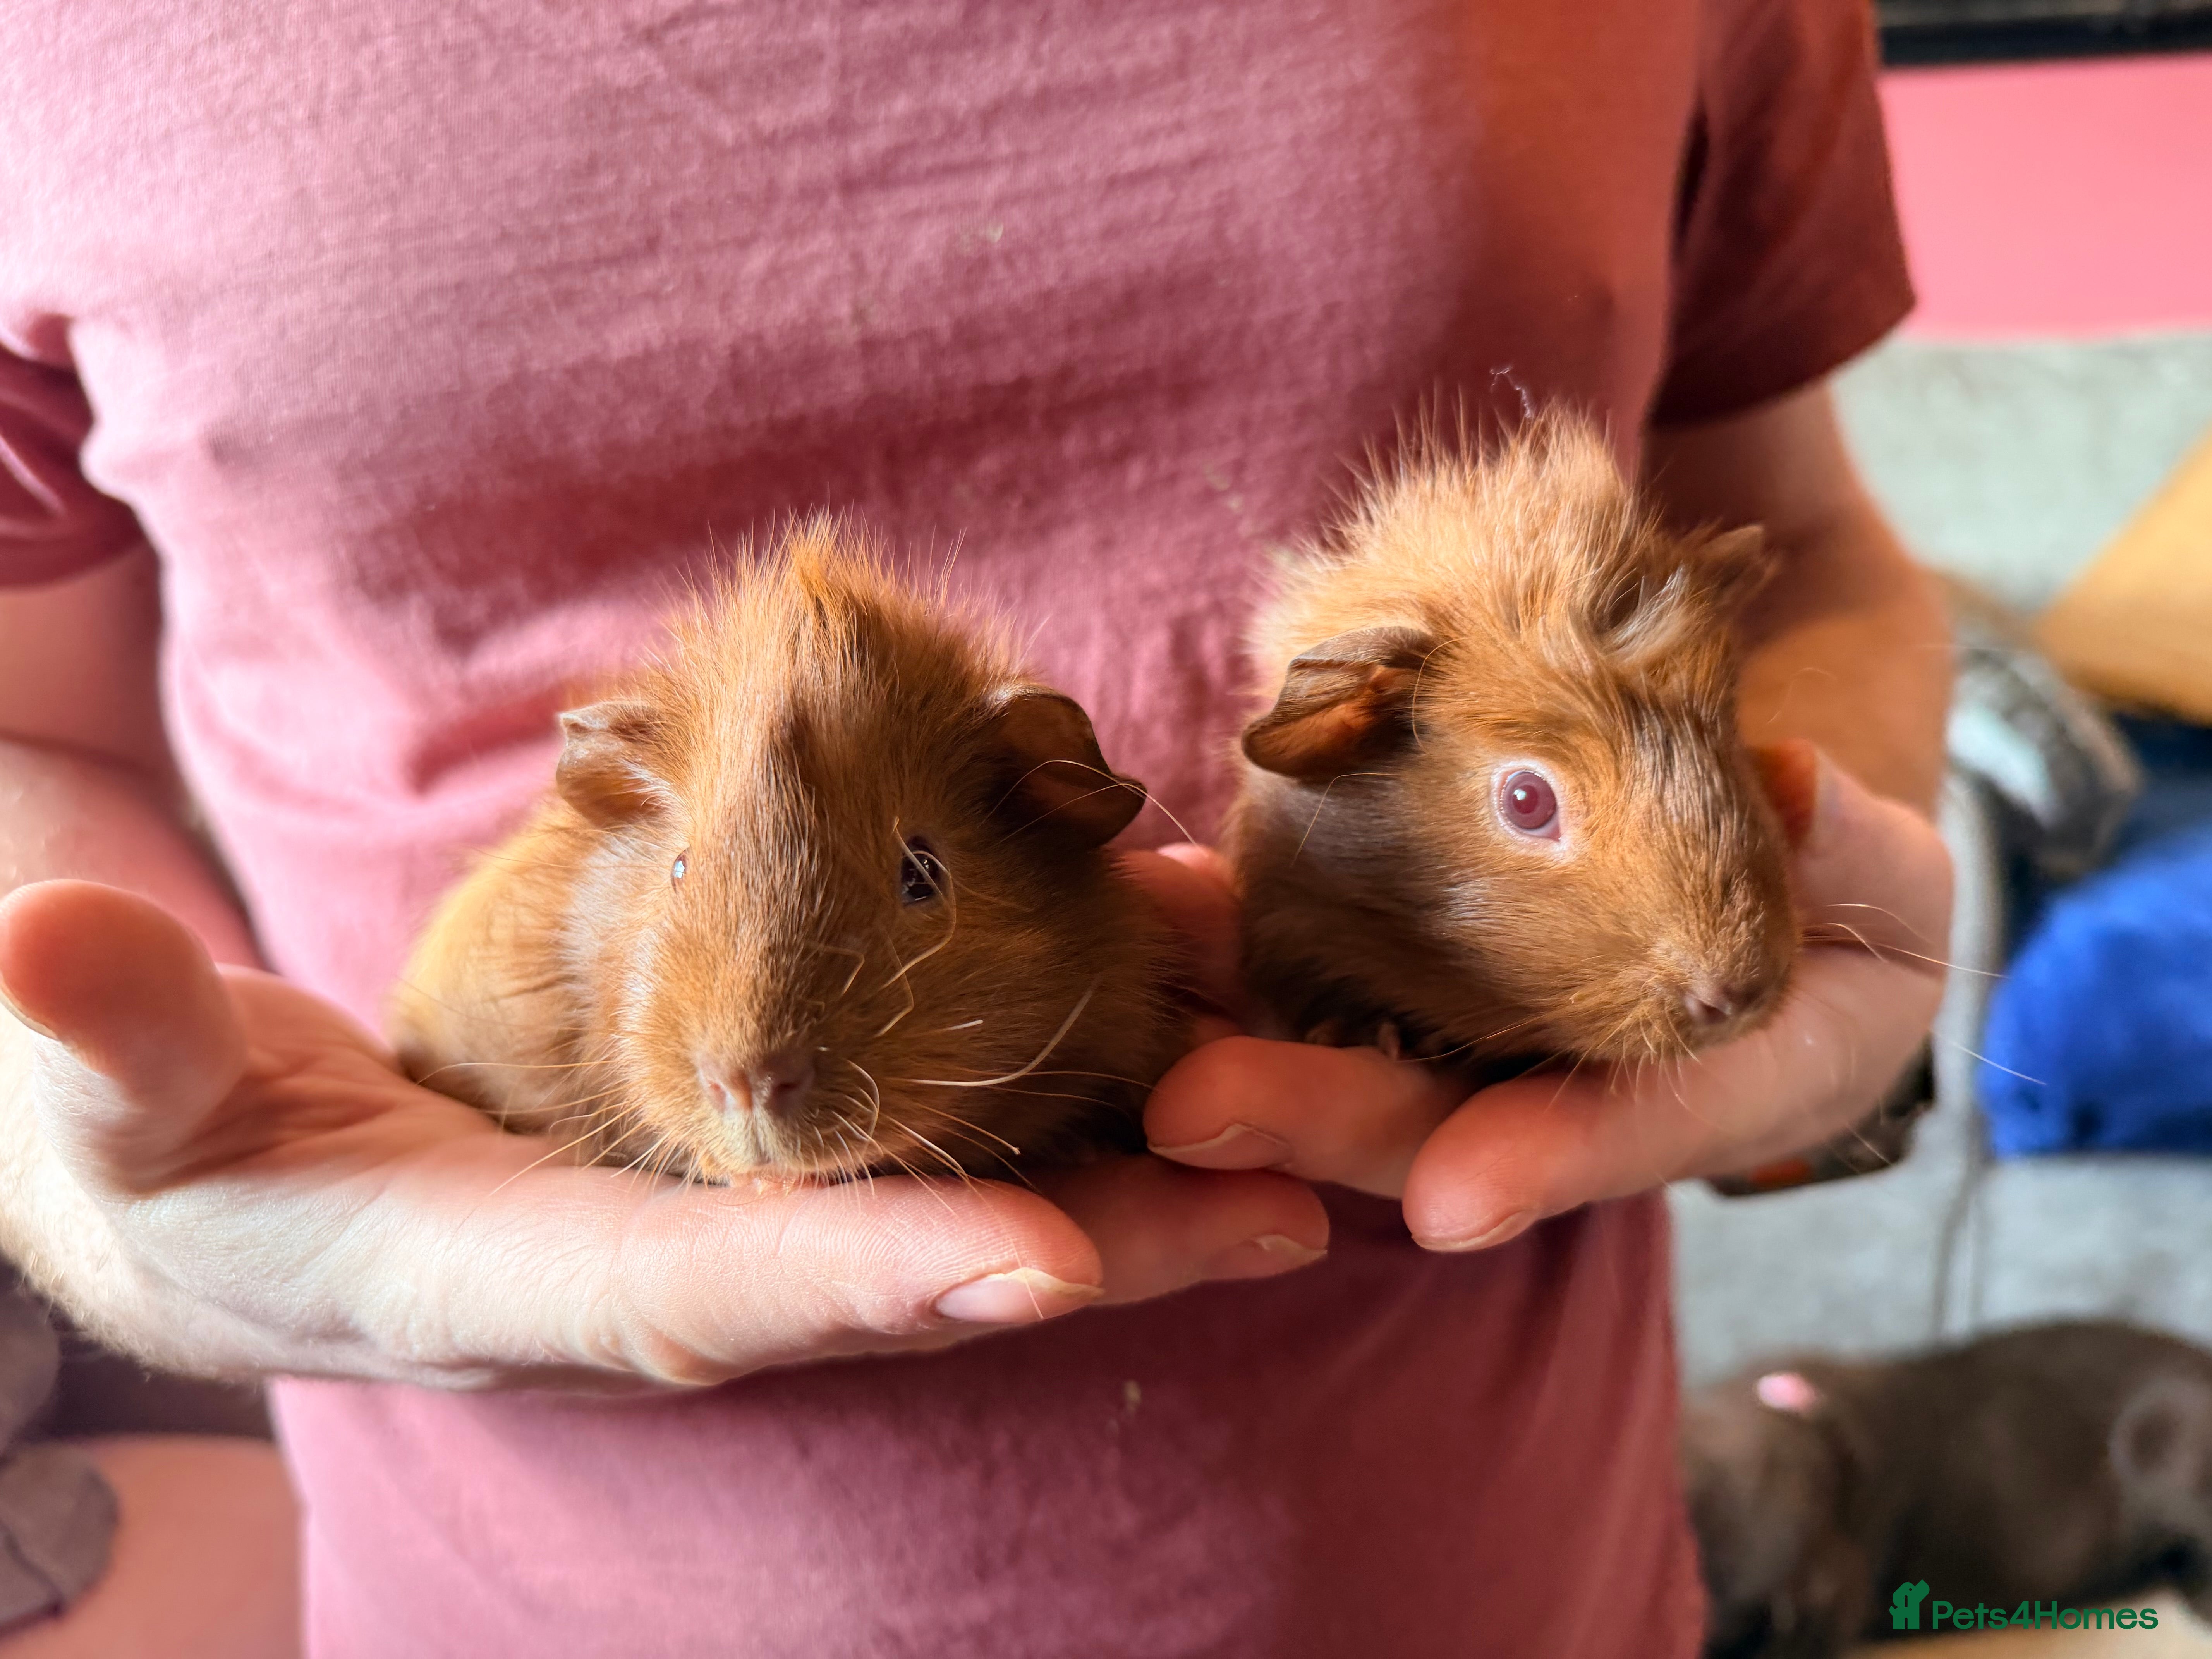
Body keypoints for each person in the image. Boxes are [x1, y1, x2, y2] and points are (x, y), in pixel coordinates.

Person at [0, 0, 1952, 1653]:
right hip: (511, 1563)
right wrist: (86, 1143)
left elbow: (1798, 557)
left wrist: (1837, 923)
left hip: (1491, 1548)